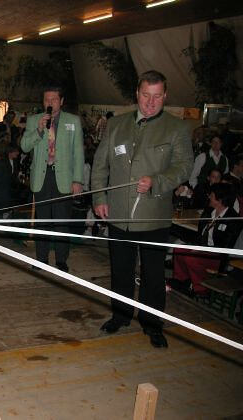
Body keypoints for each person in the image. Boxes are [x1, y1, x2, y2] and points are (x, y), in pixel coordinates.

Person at [91, 70, 193, 348]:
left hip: (154, 216)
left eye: (157, 96)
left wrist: (158, 181)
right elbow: (100, 166)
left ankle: (152, 324)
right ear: (137, 94)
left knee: (153, 275)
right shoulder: (116, 125)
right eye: (146, 95)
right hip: (119, 214)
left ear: (165, 96)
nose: (150, 102)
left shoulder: (176, 128)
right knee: (121, 270)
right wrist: (99, 197)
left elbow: (184, 167)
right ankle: (120, 315)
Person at [20, 86, 84, 272]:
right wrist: (39, 130)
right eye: (46, 100)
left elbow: (78, 153)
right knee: (42, 222)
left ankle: (61, 260)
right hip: (42, 177)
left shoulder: (73, 121)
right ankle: (41, 259)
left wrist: (78, 180)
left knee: (62, 222)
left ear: (61, 101)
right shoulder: (34, 120)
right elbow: (24, 146)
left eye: (54, 99)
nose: (50, 103)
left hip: (64, 178)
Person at [172, 183, 241, 296]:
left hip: (217, 255)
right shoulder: (208, 212)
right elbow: (200, 234)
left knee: (191, 258)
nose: (209, 197)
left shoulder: (233, 219)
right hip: (203, 249)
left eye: (212, 196)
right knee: (178, 250)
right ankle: (182, 281)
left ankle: (201, 289)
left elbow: (226, 245)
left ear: (219, 200)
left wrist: (202, 250)